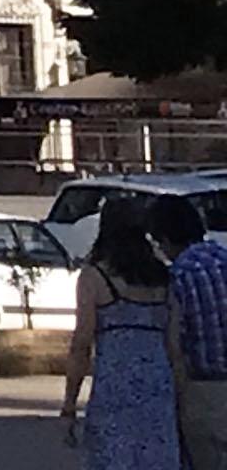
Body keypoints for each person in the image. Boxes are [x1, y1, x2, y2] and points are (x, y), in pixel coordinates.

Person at [68, 192, 184, 468]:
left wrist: (69, 404)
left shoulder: (95, 277)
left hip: (114, 386)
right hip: (158, 384)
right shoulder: (162, 278)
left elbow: (81, 344)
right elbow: (174, 344)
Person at [166, 211, 227, 468]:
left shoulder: (179, 274)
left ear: (165, 239)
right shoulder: (224, 258)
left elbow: (175, 340)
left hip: (203, 386)